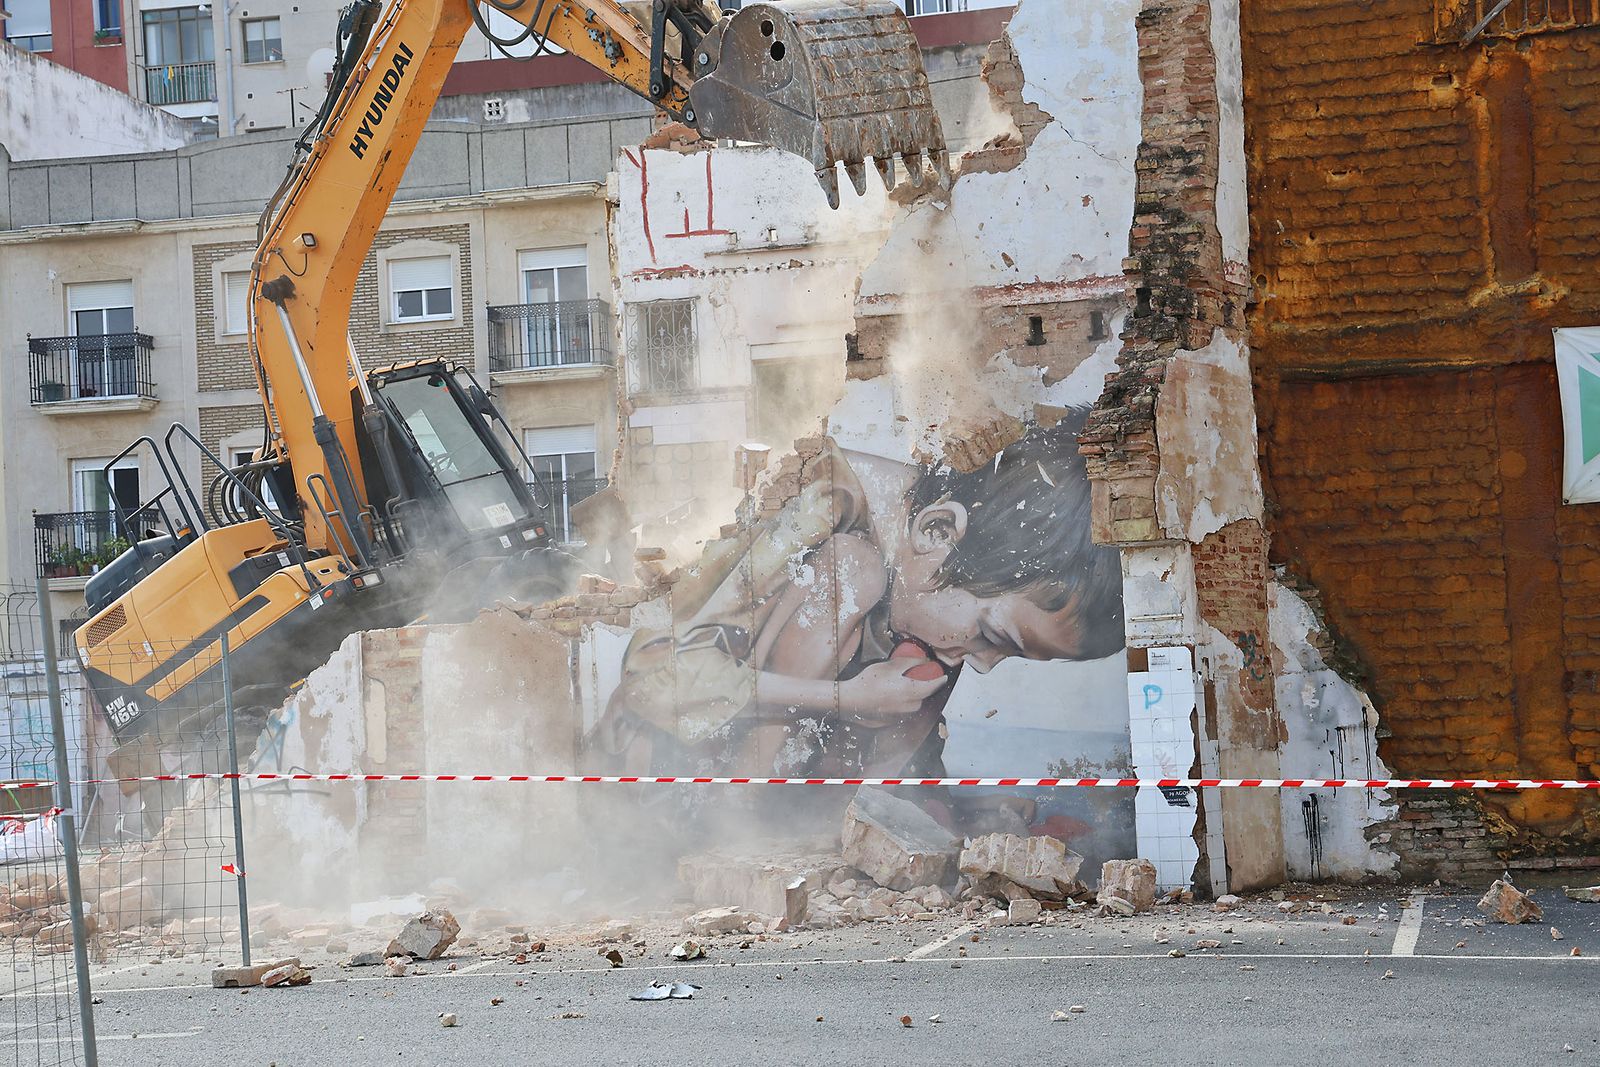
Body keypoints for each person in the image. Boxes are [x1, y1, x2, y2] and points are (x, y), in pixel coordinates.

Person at [589, 409, 1124, 779]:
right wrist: (849, 698)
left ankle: (843, 824)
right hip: (657, 760)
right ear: (936, 532)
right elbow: (654, 689)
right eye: (995, 636)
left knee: (943, 647)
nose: (985, 664)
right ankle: (742, 819)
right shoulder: (824, 500)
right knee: (856, 572)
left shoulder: (930, 591)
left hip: (790, 778)